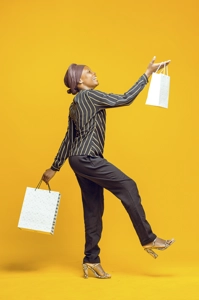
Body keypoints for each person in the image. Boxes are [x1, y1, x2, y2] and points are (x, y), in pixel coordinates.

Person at [42, 56, 175, 279]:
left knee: (93, 209)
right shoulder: (90, 96)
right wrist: (147, 74)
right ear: (79, 82)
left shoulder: (74, 104)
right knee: (128, 185)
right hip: (88, 158)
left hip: (78, 160)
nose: (94, 74)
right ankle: (148, 239)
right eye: (89, 72)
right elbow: (125, 98)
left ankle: (91, 260)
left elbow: (68, 138)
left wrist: (54, 168)